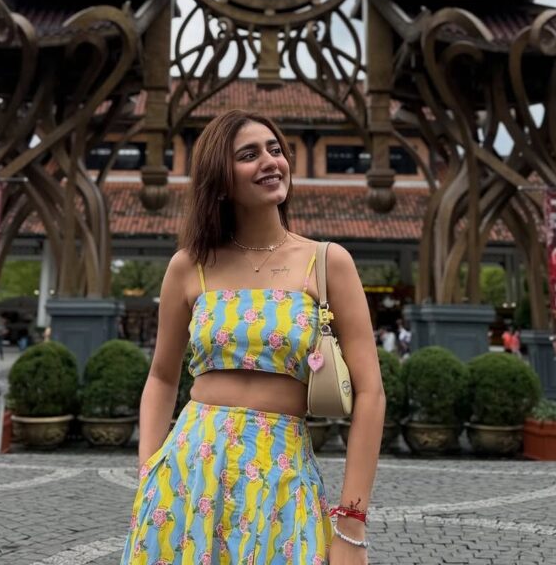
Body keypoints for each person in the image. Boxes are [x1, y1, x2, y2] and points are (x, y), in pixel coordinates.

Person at [122, 110, 384, 565]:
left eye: (275, 149)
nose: (270, 161)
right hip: (188, 476)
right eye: (249, 155)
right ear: (220, 181)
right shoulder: (190, 266)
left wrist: (352, 522)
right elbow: (162, 377)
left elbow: (371, 393)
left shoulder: (327, 263)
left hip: (282, 477)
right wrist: (149, 470)